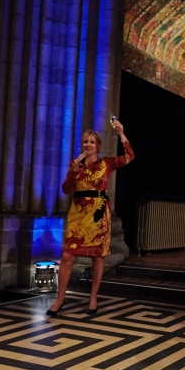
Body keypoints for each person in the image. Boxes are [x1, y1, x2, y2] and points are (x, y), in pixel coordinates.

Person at [47, 121, 134, 317]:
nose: (88, 144)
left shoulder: (106, 164)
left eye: (92, 142)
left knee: (97, 257)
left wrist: (121, 133)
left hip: (98, 215)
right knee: (68, 255)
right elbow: (66, 189)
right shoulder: (75, 164)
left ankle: (93, 297)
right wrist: (73, 171)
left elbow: (130, 156)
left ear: (98, 146)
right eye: (85, 141)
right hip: (78, 214)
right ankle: (60, 299)